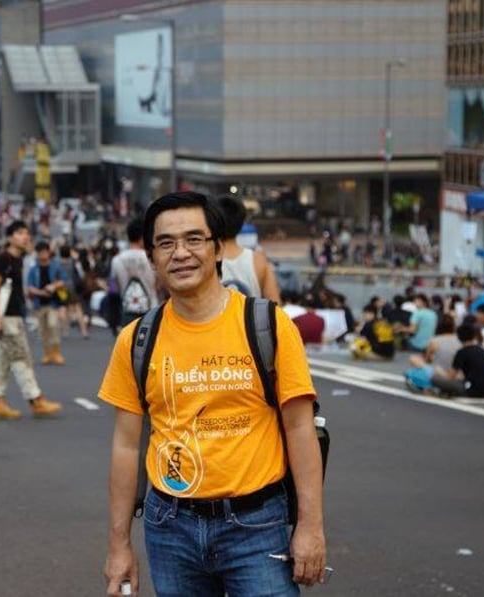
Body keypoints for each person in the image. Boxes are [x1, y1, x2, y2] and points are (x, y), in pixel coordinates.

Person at [100, 192, 326, 597]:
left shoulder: (269, 326)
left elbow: (300, 428)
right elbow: (125, 446)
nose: (180, 253)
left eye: (194, 239)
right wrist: (119, 545)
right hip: (169, 527)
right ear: (151, 258)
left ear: (218, 248)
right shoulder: (136, 340)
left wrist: (311, 526)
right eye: (165, 243)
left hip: (257, 525)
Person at [0, 221, 63, 420]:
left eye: (27, 233)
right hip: (7, 317)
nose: (25, 236)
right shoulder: (4, 258)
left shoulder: (17, 259)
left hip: (14, 315)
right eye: (20, 233)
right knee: (21, 358)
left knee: (1, 359)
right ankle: (35, 399)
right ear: (10, 237)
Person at [214, 195, 281, 302]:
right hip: (250, 313)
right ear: (242, 224)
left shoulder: (206, 260)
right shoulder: (259, 261)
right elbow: (274, 306)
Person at [110, 218, 160, 327]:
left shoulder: (116, 260)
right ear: (143, 237)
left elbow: (115, 285)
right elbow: (158, 285)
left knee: (128, 336)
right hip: (150, 310)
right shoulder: (152, 258)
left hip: (127, 309)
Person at [27, 241, 68, 365]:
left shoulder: (56, 266)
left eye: (45, 252)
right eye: (40, 252)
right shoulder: (34, 269)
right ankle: (48, 354)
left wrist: (53, 286)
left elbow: (64, 280)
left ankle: (57, 352)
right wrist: (41, 293)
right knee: (43, 330)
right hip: (39, 303)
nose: (43, 255)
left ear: (49, 252)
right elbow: (30, 287)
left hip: (53, 303)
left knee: (53, 325)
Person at [430, 322, 484, 398]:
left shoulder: (462, 352)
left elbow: (451, 376)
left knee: (435, 378)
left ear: (458, 337)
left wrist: (440, 371)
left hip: (472, 391)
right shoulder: (481, 350)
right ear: (473, 336)